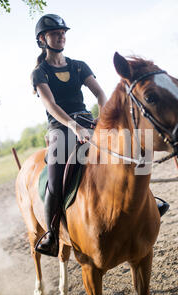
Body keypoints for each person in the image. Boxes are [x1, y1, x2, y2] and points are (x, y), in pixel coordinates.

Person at [31, 14, 169, 257]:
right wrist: (74, 127)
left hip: (88, 122)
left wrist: (103, 117)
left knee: (129, 154)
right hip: (61, 130)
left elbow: (100, 93)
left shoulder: (78, 65)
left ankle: (149, 202)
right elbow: (51, 105)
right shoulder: (40, 73)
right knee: (55, 180)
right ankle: (52, 233)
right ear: (43, 39)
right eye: (55, 33)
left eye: (63, 32)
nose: (61, 35)